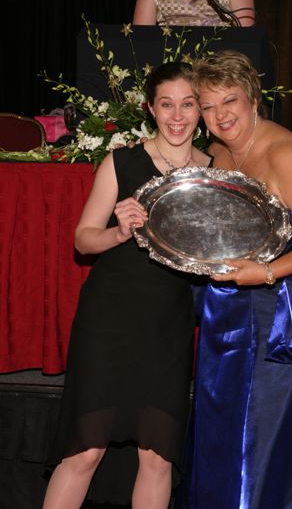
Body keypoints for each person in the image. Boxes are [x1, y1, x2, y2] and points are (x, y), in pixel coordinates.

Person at [177, 50, 292, 508]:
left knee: (270, 437)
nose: (220, 115)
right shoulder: (219, 152)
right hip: (227, 316)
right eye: (208, 105)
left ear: (253, 99)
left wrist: (264, 273)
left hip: (283, 319)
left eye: (230, 100)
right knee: (226, 429)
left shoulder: (286, 154)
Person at [42, 62, 211, 509]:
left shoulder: (215, 172)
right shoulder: (122, 161)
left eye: (188, 104)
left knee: (156, 458)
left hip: (167, 325)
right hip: (109, 319)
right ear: (150, 109)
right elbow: (83, 238)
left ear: (200, 109)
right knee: (86, 450)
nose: (177, 116)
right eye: (167, 104)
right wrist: (118, 233)